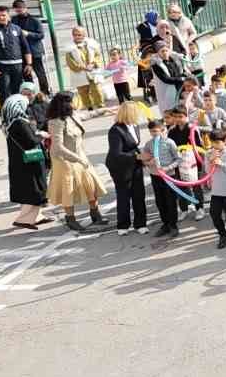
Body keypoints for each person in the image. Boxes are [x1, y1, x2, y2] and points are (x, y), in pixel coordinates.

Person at [45, 91, 108, 232]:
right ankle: (70, 218)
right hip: (64, 161)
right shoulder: (56, 122)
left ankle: (95, 213)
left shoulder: (73, 116)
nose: (76, 103)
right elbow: (58, 147)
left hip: (79, 156)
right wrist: (78, 159)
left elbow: (88, 114)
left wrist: (106, 110)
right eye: (74, 101)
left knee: (91, 184)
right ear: (67, 104)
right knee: (69, 190)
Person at [1, 94, 48, 230]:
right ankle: (24, 219)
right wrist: (41, 135)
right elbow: (31, 141)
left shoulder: (9, 121)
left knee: (34, 188)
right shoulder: (19, 122)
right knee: (34, 190)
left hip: (20, 162)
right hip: (28, 162)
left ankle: (37, 216)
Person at [104, 100, 150, 235]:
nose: (138, 115)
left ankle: (140, 223)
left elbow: (134, 145)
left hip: (134, 164)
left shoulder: (135, 126)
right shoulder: (115, 130)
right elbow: (116, 153)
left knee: (139, 194)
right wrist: (137, 157)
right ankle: (123, 225)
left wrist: (141, 157)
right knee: (124, 195)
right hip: (119, 166)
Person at [0, 4, 33, 106]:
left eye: (3, 15)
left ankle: (18, 113)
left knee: (18, 91)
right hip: (2, 66)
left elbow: (25, 47)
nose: (1, 17)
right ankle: (5, 116)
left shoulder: (17, 29)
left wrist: (29, 64)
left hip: (18, 66)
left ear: (8, 15)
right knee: (4, 91)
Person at [62, 26, 107, 114]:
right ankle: (90, 109)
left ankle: (101, 107)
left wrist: (93, 64)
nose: (77, 37)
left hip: (92, 72)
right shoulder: (70, 49)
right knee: (83, 92)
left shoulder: (91, 44)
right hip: (80, 74)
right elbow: (71, 63)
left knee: (97, 90)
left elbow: (97, 56)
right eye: (75, 35)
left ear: (84, 35)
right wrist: (83, 67)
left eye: (79, 35)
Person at [10, 0, 50, 94]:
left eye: (21, 9)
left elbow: (41, 35)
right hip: (22, 51)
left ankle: (45, 92)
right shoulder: (14, 20)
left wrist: (28, 34)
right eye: (17, 10)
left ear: (25, 8)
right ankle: (31, 93)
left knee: (40, 73)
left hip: (34, 51)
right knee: (26, 74)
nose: (19, 11)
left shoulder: (34, 20)